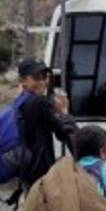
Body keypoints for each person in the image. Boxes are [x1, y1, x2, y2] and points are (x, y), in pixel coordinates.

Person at [15, 57, 77, 189]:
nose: (42, 82)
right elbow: (62, 132)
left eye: (44, 77)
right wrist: (63, 111)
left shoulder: (19, 102)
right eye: (36, 78)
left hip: (27, 172)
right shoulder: (40, 102)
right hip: (41, 172)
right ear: (23, 81)